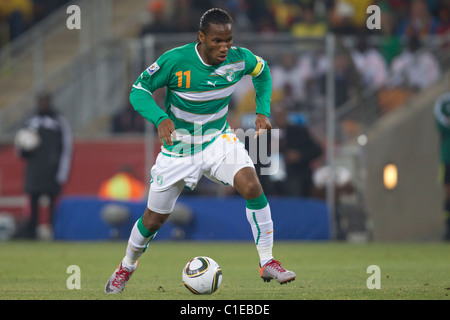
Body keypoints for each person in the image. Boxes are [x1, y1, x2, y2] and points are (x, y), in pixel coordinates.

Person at [104, 8, 296, 294]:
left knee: (252, 185)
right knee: (152, 220)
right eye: (217, 41)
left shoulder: (238, 59)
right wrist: (160, 118)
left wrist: (262, 111)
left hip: (218, 141)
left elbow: (263, 71)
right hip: (178, 151)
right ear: (201, 37)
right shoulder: (175, 60)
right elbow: (138, 90)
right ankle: (125, 268)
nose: (224, 47)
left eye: (228, 40)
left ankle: (267, 261)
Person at [16, 92, 73, 239]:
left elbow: (67, 147)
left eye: (46, 101)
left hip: (52, 171)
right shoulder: (30, 121)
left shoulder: (59, 121)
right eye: (41, 102)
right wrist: (24, 148)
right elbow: (20, 146)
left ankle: (54, 232)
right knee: (33, 200)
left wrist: (62, 172)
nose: (43, 105)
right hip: (34, 170)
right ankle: (31, 232)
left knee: (53, 203)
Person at [433, 91, 450, 241]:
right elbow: (441, 124)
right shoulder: (443, 103)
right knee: (448, 192)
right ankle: (448, 228)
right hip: (448, 156)